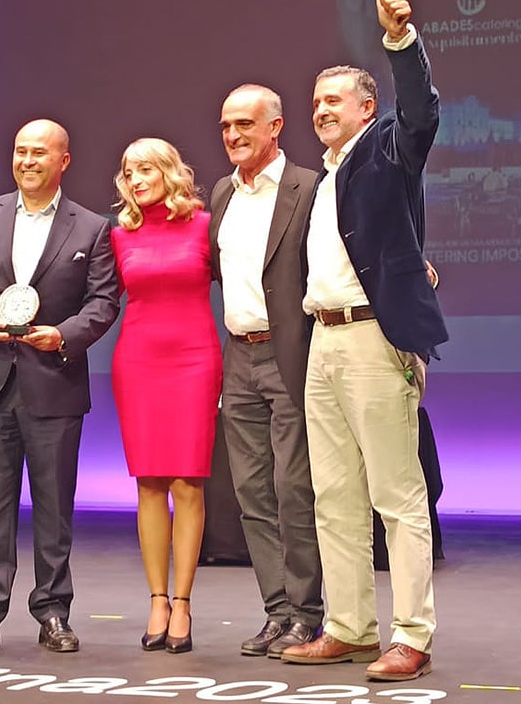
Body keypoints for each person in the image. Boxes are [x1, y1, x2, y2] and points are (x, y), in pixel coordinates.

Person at [279, 0, 448, 682]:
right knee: (335, 495)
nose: (320, 111)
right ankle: (349, 626)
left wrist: (399, 42)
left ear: (366, 109)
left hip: (374, 340)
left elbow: (420, 112)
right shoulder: (323, 179)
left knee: (395, 495)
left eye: (333, 101)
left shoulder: (386, 148)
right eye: (313, 103)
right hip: (324, 340)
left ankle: (410, 633)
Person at [0, 118, 120, 657]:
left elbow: (103, 303)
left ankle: (53, 612)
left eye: (40, 153)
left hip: (52, 382)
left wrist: (61, 334)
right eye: (20, 151)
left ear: (64, 160)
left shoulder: (90, 228)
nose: (27, 161)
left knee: (54, 509)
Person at [209, 85, 326, 658]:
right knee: (251, 491)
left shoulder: (310, 187)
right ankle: (277, 612)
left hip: (290, 354)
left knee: (292, 487)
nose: (233, 135)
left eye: (245, 125)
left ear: (275, 127)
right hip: (239, 356)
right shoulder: (222, 194)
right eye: (227, 125)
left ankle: (308, 612)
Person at [110, 138, 222, 654]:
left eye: (146, 169)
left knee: (187, 484)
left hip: (194, 362)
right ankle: (156, 599)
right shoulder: (120, 235)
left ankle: (183, 601)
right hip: (138, 362)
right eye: (128, 171)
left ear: (169, 171)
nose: (135, 179)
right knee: (149, 483)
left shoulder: (205, 225)